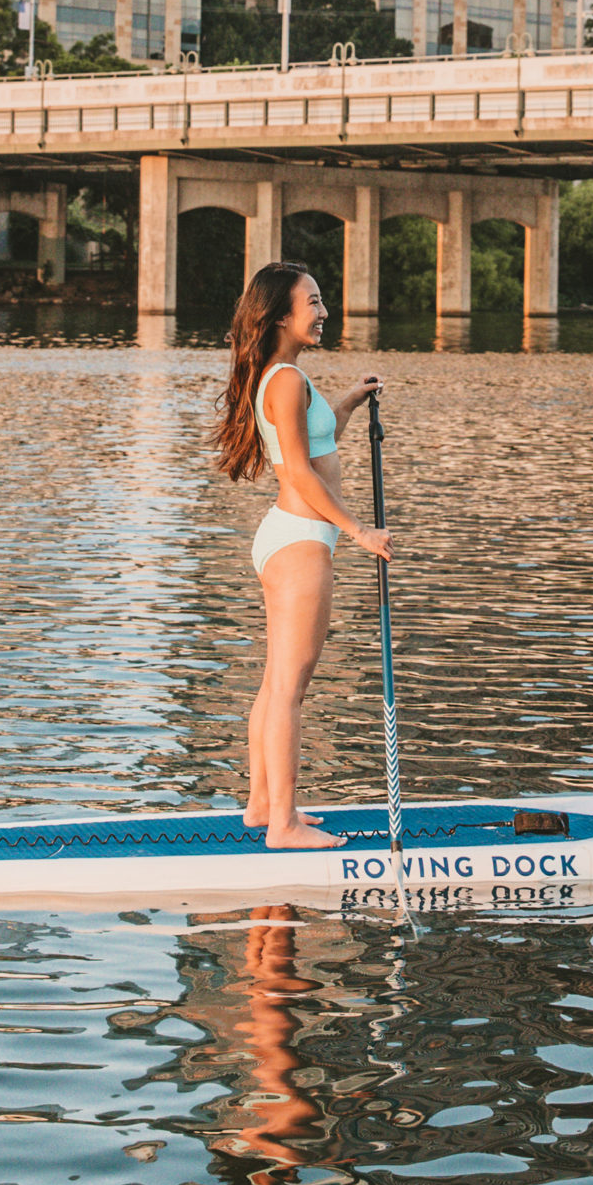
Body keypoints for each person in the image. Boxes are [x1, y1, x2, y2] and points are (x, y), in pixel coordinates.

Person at [212, 260, 389, 850]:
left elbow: (317, 439)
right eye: (312, 302)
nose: (323, 311)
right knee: (289, 686)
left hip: (290, 539)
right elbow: (299, 474)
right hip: (302, 541)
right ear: (281, 315)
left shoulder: (284, 376)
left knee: (275, 682)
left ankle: (263, 806)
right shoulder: (284, 380)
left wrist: (348, 402)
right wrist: (359, 531)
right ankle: (284, 825)